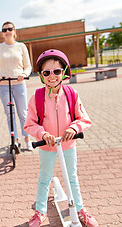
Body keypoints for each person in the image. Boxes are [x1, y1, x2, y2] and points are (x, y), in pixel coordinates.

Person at [23, 49, 98, 227]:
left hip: (68, 145)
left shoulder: (72, 94)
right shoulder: (37, 97)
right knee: (44, 178)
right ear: (41, 75)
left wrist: (74, 127)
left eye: (56, 71)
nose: (52, 76)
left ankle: (80, 209)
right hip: (47, 146)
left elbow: (84, 118)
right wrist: (43, 134)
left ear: (63, 72)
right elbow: (29, 124)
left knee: (72, 178)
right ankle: (39, 212)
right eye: (46, 72)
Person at [0, 21, 33, 151]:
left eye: (9, 29)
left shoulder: (21, 46)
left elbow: (28, 65)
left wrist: (24, 74)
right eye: (4, 30)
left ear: (14, 31)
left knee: (23, 113)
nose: (7, 31)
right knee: (9, 113)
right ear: (2, 33)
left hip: (19, 84)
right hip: (3, 85)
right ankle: (15, 140)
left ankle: (27, 139)